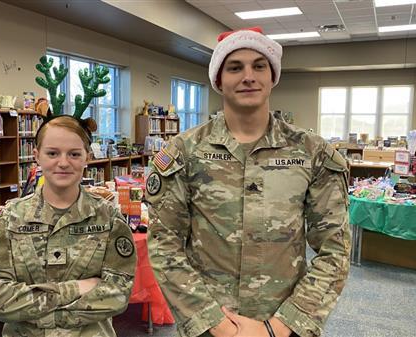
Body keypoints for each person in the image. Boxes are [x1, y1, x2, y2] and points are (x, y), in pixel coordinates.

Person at [146, 27, 351, 337]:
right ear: (218, 80)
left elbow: (335, 250)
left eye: (259, 65)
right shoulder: (184, 152)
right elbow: (164, 245)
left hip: (287, 323)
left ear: (273, 76)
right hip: (211, 325)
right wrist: (211, 320)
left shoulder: (313, 152)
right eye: (235, 67)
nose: (248, 76)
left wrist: (284, 325)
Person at [0, 115, 137, 337]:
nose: (63, 162)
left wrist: (36, 308)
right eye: (52, 153)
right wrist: (77, 288)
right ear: (37, 157)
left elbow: (118, 295)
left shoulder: (108, 218)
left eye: (74, 154)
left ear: (87, 158)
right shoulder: (11, 219)